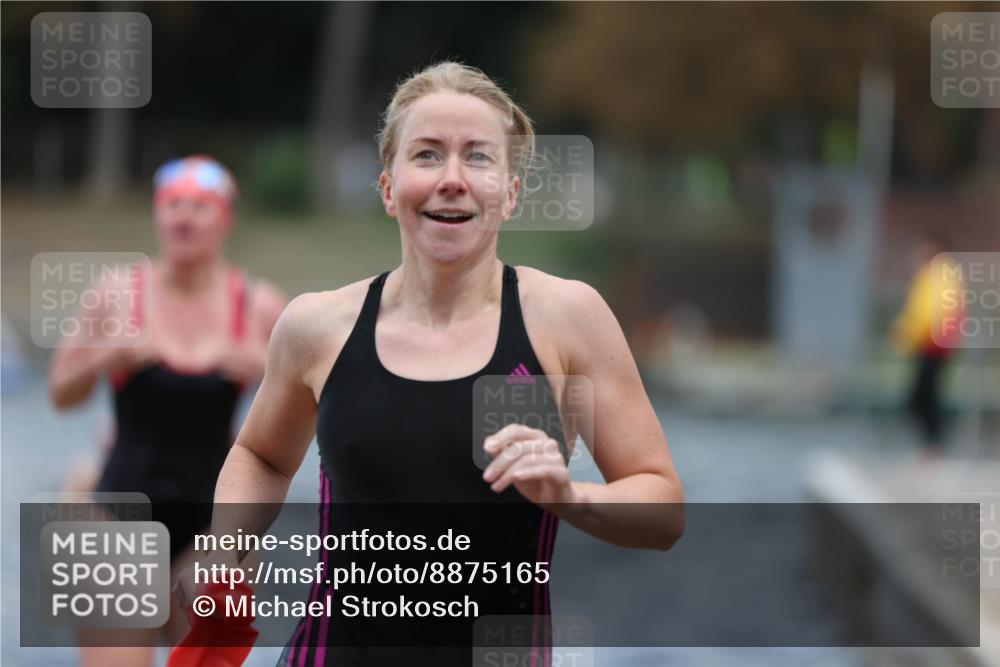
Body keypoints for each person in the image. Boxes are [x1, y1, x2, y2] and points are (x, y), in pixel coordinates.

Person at [175, 62, 684, 666]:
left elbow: (664, 508)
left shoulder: (565, 318)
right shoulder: (317, 327)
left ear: (510, 192)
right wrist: (227, 540)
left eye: (477, 157)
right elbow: (262, 453)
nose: (452, 179)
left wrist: (570, 495)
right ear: (389, 189)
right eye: (426, 155)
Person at [48, 155, 287, 667]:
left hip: (213, 520)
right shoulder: (116, 294)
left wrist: (264, 370)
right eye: (173, 205)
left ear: (225, 219)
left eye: (200, 207)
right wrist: (103, 357)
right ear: (157, 215)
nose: (184, 217)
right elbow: (60, 394)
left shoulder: (260, 304)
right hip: (118, 514)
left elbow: (314, 411)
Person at [891, 233, 964, 457]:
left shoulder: (941, 273)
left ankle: (934, 446)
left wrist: (911, 335)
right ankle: (932, 446)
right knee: (925, 395)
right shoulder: (929, 274)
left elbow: (933, 312)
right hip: (927, 343)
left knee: (923, 396)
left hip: (934, 343)